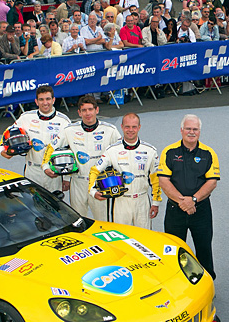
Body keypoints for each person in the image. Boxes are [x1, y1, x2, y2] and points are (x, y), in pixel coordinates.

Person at [158, 114, 220, 279]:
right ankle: (176, 282)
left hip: (201, 210)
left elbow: (212, 182)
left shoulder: (209, 153)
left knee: (204, 249)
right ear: (181, 130)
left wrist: (192, 200)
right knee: (173, 250)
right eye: (188, 129)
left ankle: (207, 283)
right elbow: (163, 180)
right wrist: (182, 202)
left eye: (195, 129)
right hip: (175, 210)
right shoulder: (169, 152)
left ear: (199, 131)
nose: (191, 132)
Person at [87, 113, 161, 229]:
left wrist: (156, 202)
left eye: (134, 127)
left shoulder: (150, 151)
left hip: (142, 201)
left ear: (139, 127)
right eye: (127, 127)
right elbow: (94, 170)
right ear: (121, 127)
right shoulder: (112, 150)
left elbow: (156, 179)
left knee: (144, 238)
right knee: (121, 238)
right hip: (120, 201)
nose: (130, 130)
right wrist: (92, 191)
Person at [0, 85, 73, 193]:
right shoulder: (26, 117)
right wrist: (2, 150)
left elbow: (71, 148)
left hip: (54, 173)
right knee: (33, 205)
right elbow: (7, 134)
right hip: (32, 171)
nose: (45, 103)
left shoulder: (64, 121)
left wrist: (67, 178)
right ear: (36, 101)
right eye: (41, 99)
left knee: (54, 206)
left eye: (48, 99)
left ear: (53, 100)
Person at [64, 95, 122, 219]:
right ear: (79, 112)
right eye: (84, 110)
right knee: (78, 220)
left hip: (100, 182)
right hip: (77, 182)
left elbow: (121, 154)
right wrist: (65, 178)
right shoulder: (69, 130)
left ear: (97, 110)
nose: (87, 113)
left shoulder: (110, 130)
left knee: (103, 222)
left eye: (90, 109)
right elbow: (60, 152)